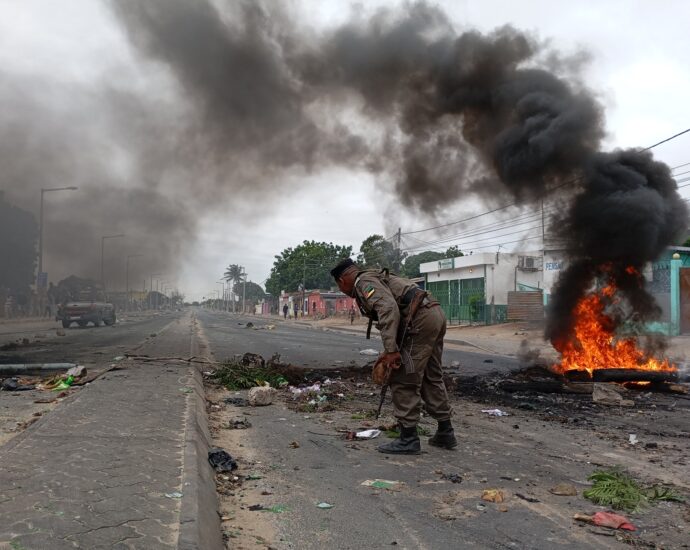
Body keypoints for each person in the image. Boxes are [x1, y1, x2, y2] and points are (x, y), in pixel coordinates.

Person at [330, 258, 455, 455]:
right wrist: (392, 347)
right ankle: (445, 432)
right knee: (432, 375)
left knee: (403, 376)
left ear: (341, 280)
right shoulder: (375, 276)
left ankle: (408, 439)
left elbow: (388, 309)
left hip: (420, 318)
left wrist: (391, 351)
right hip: (434, 313)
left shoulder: (363, 283)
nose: (342, 289)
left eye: (339, 286)